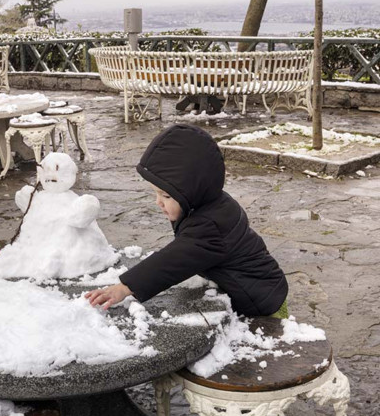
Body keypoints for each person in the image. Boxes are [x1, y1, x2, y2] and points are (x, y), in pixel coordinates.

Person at [86, 124, 289, 318]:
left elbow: (174, 260)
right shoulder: (208, 203)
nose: (158, 202)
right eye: (156, 194)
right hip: (263, 285)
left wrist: (125, 287)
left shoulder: (211, 227)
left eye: (166, 196)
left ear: (192, 192)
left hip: (262, 300)